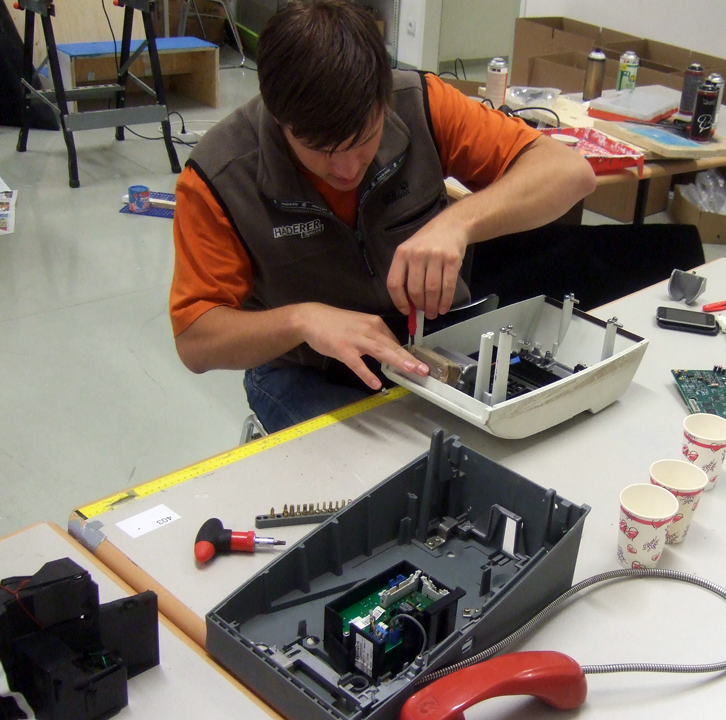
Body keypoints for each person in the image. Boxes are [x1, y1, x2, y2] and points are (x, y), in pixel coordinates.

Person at [169, 0, 597, 432]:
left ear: (384, 98)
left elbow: (569, 172)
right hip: (309, 370)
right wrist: (301, 321)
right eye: (321, 150)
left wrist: (458, 222)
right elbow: (195, 341)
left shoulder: (420, 104)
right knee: (394, 472)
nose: (347, 170)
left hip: (436, 344)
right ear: (279, 118)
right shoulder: (220, 176)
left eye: (364, 140)